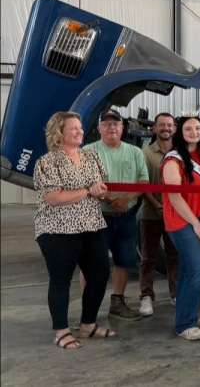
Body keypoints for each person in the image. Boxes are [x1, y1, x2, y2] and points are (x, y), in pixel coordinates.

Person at [33, 111, 114, 350]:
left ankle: (88, 324)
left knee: (99, 275)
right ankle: (61, 331)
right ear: (59, 133)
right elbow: (53, 197)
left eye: (80, 127)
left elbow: (100, 186)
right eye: (73, 128)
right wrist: (89, 191)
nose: (79, 131)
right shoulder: (47, 162)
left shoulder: (91, 156)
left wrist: (103, 192)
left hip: (91, 225)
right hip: (57, 229)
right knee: (61, 280)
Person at [84, 108, 149, 321]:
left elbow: (143, 182)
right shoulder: (88, 152)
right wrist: (113, 200)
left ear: (122, 128)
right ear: (99, 127)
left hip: (126, 216)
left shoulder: (135, 152)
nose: (112, 127)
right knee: (91, 263)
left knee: (124, 259)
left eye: (116, 123)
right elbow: (87, 183)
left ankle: (117, 302)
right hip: (97, 216)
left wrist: (127, 200)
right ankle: (88, 309)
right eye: (107, 123)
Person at [161, 115, 200, 341]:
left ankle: (188, 314)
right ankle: (184, 324)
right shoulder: (173, 160)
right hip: (182, 222)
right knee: (196, 272)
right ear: (179, 132)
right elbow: (174, 196)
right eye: (188, 128)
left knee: (187, 273)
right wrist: (194, 223)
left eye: (197, 128)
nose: (194, 132)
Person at [138, 112, 178, 316]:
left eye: (169, 125)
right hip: (151, 214)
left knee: (174, 256)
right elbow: (142, 183)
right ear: (154, 128)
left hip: (176, 215)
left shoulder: (180, 153)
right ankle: (146, 296)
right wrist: (156, 205)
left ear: (175, 128)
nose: (166, 128)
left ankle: (175, 294)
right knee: (148, 257)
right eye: (161, 125)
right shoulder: (145, 153)